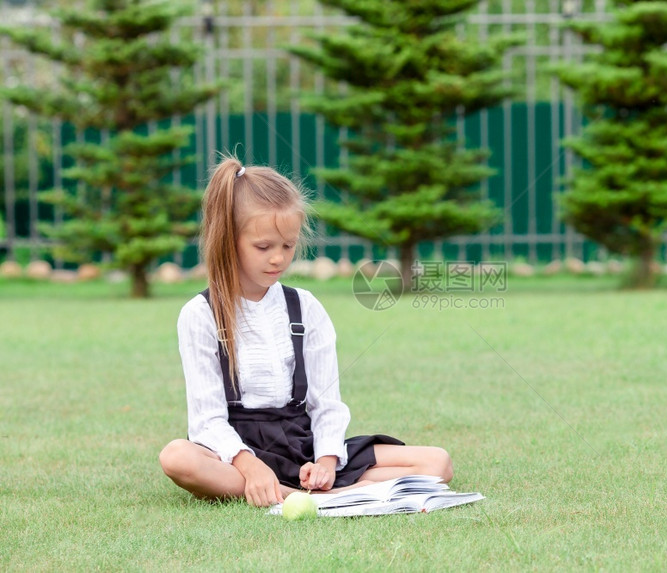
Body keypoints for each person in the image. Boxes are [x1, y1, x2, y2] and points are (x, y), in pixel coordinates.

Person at [159, 157, 453, 507]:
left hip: (303, 444)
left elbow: (326, 401)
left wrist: (327, 460)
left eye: (288, 245)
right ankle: (303, 496)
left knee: (438, 462)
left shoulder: (306, 307)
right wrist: (250, 465)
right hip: (238, 452)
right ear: (227, 240)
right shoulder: (200, 314)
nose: (278, 259)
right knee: (177, 457)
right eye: (263, 247)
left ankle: (320, 489)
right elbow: (206, 419)